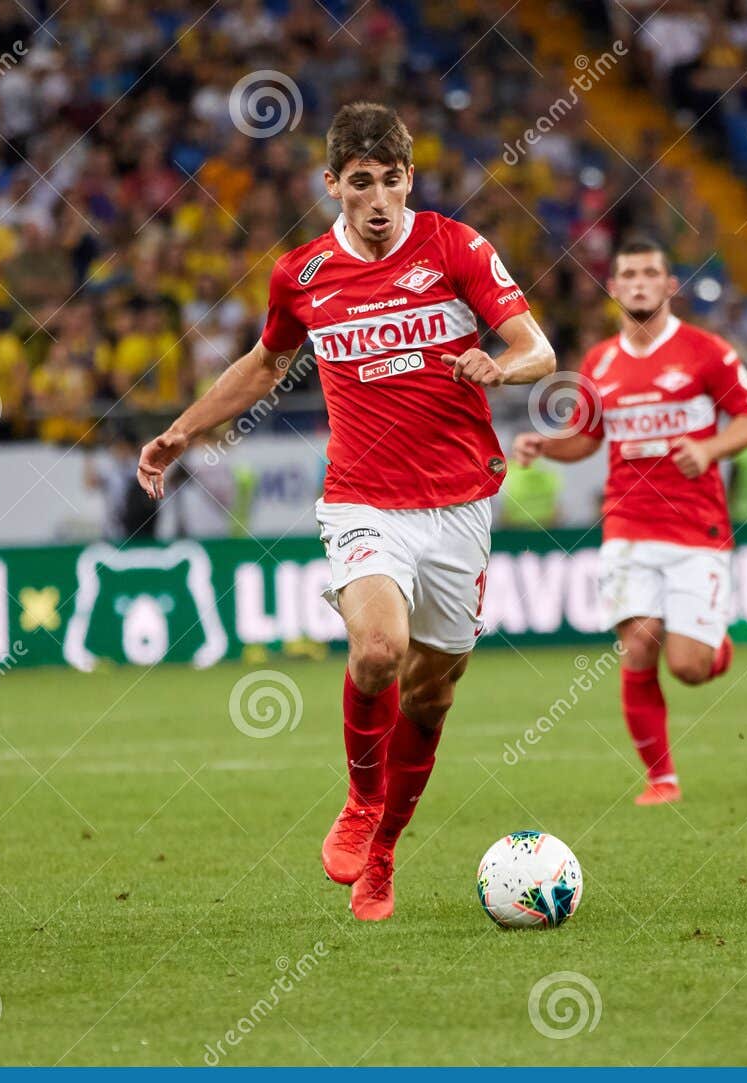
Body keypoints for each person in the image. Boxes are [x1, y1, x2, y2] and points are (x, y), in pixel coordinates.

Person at [138, 102, 554, 920]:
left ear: (409, 180)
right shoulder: (302, 274)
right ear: (332, 183)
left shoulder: (455, 247)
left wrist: (504, 368)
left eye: (390, 181)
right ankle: (362, 801)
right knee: (376, 649)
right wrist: (183, 431)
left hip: (460, 503)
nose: (376, 199)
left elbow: (537, 346)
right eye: (359, 182)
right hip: (363, 498)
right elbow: (265, 364)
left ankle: (387, 849)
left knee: (432, 694)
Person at [513, 237, 747, 805]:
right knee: (638, 643)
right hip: (627, 522)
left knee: (689, 667)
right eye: (628, 274)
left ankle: (711, 645)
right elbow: (584, 439)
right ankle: (662, 779)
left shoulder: (706, 352)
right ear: (614, 286)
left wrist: (709, 451)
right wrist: (543, 445)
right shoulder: (600, 361)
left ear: (669, 284)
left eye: (650, 272)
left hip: (697, 527)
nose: (638, 283)